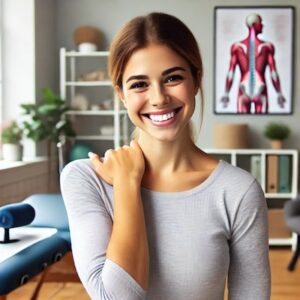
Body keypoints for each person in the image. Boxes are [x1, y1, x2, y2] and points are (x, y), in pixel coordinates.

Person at [60, 12, 271, 299]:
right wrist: (126, 184)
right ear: (121, 94)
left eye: (172, 78)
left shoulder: (237, 191)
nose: (158, 98)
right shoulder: (86, 179)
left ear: (196, 80)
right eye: (139, 84)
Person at [220, 13, 286, 114]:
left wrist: (226, 93)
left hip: (243, 91)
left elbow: (231, 72)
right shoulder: (267, 47)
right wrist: (279, 93)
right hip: (261, 90)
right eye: (261, 23)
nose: (262, 26)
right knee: (263, 124)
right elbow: (273, 72)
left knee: (241, 123)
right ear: (254, 24)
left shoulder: (237, 47)